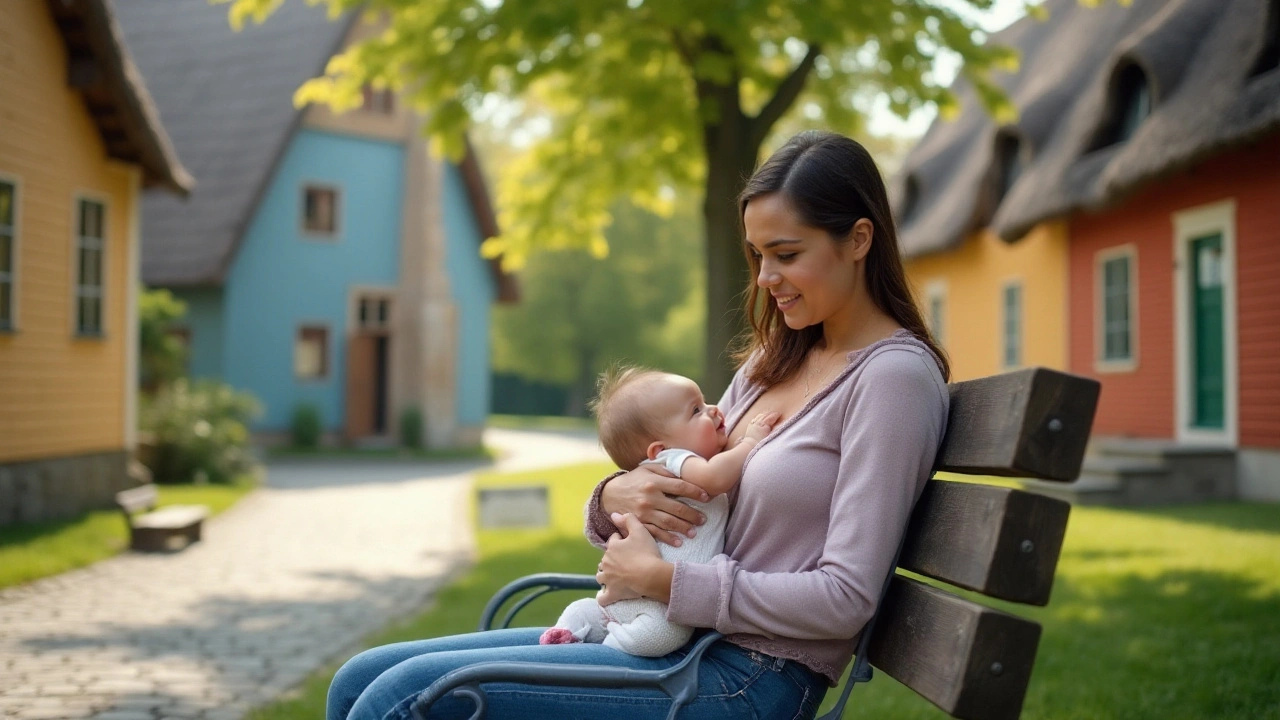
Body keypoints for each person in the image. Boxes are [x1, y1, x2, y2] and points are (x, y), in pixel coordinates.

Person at [325, 129, 951, 720]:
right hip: (671, 641)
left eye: (787, 255)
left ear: (860, 239)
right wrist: (612, 496)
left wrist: (666, 581)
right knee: (361, 676)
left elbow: (845, 599)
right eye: (758, 255)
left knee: (408, 699)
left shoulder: (892, 380)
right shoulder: (773, 361)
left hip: (750, 677)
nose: (765, 279)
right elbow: (679, 474)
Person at [539, 366, 779, 656]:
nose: (715, 410)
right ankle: (608, 654)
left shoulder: (681, 459)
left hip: (655, 592)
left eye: (704, 403)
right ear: (658, 449)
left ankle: (571, 631)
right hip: (660, 604)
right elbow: (717, 478)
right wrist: (751, 442)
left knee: (589, 610)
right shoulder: (675, 459)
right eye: (696, 410)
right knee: (666, 635)